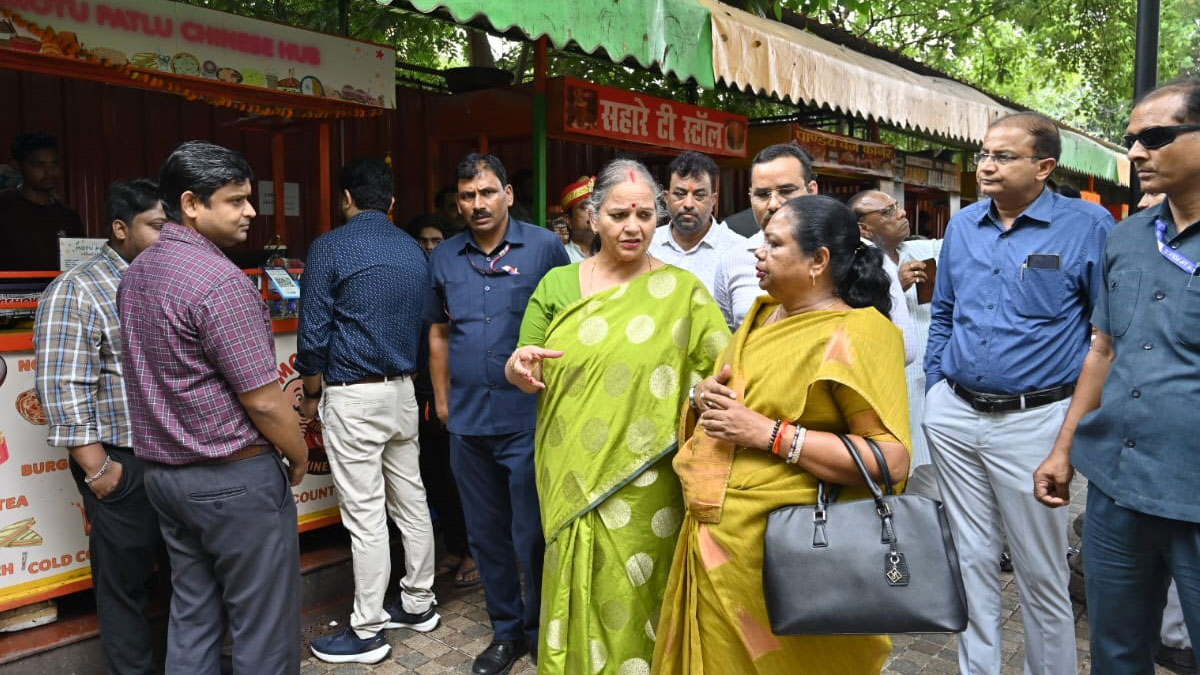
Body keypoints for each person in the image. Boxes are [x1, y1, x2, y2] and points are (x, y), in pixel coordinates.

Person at [653, 194, 910, 674]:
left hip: (792, 555)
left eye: (774, 244)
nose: (759, 252)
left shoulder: (856, 333)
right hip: (720, 539)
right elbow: (731, 408)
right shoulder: (761, 315)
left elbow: (889, 459)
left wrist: (768, 433)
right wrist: (702, 396)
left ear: (818, 260)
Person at [506, 159, 730, 675]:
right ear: (593, 216)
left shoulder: (683, 292)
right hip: (570, 467)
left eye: (645, 215)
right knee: (574, 576)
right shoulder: (558, 285)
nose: (633, 227)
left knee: (640, 588)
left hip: (649, 476)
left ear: (659, 218)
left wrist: (700, 395)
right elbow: (522, 361)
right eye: (619, 214)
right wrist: (518, 368)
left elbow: (722, 375)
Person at [924, 112, 1115, 675]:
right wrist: (935, 392)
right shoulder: (964, 225)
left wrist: (1071, 434)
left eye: (1003, 156)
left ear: (1044, 166)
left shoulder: (1088, 225)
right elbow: (944, 313)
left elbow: (1106, 335)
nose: (986, 165)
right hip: (955, 415)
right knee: (971, 559)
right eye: (984, 154)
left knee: (1041, 572)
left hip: (1036, 422)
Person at [118, 141, 309, 674]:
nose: (250, 212)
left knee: (193, 614)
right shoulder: (221, 282)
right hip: (231, 478)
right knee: (263, 627)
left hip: (165, 478)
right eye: (235, 200)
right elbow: (264, 401)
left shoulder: (137, 271)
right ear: (191, 204)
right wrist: (297, 453)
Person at [1033, 78, 1200, 675]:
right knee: (1116, 653)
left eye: (1154, 137)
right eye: (1133, 138)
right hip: (1117, 488)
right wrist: (1063, 449)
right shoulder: (1128, 237)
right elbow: (1102, 350)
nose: (1134, 152)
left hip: (1193, 491)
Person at [426, 153, 569, 675]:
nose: (478, 203)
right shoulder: (445, 256)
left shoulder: (545, 248)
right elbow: (439, 332)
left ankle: (541, 629)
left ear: (507, 194)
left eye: (487, 192)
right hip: (467, 422)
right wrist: (443, 402)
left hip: (529, 418)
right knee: (486, 536)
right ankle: (506, 633)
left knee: (532, 534)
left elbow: (570, 323)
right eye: (467, 196)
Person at [298, 158, 439, 664]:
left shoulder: (329, 247)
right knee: (411, 501)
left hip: (353, 395)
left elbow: (313, 332)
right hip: (402, 391)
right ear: (392, 202)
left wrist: (310, 392)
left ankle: (368, 630)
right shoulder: (413, 249)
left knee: (365, 515)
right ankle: (418, 603)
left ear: (346, 199)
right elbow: (425, 324)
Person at [33, 179, 166, 675]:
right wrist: (100, 469)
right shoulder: (78, 287)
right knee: (124, 584)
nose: (168, 237)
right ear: (120, 228)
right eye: (157, 226)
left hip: (177, 459)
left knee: (185, 574)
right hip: (122, 461)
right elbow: (61, 385)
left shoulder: (166, 279)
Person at [407, 213, 478, 588]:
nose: (429, 248)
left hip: (455, 392)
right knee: (433, 474)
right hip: (422, 394)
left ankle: (473, 552)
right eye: (423, 241)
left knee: (460, 478)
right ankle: (454, 546)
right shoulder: (415, 280)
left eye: (436, 241)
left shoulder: (458, 277)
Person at [712, 143, 818, 330]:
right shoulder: (732, 261)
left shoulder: (854, 253)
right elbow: (729, 337)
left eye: (786, 191)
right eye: (762, 194)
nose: (773, 204)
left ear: (812, 190)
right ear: (750, 197)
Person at [650, 150, 742, 294]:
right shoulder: (648, 245)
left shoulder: (737, 252)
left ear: (713, 200)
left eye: (699, 196)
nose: (688, 204)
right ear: (666, 198)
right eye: (680, 194)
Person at [847, 190, 918, 364]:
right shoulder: (852, 265)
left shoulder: (921, 250)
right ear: (863, 228)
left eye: (897, 206)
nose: (902, 213)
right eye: (887, 212)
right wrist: (891, 288)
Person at [0, 132, 85, 271]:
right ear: (17, 166)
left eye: (54, 164)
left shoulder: (69, 217)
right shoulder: (4, 206)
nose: (50, 172)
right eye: (39, 165)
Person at [559, 176, 595, 262]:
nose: (593, 211)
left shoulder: (612, 254)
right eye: (585, 206)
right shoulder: (561, 256)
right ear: (568, 220)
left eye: (596, 206)